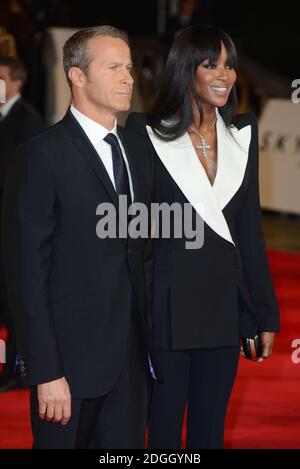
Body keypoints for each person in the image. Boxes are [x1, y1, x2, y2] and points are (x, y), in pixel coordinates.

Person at [126, 24, 280, 449]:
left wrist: (264, 313)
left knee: (210, 430)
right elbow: (133, 229)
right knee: (162, 430)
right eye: (211, 64)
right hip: (166, 311)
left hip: (222, 311)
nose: (224, 75)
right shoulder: (146, 134)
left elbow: (250, 232)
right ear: (185, 70)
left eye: (229, 65)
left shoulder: (242, 138)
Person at [2, 25, 155, 449]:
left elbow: (142, 256)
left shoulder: (138, 153)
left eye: (129, 67)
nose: (127, 77)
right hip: (66, 369)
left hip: (132, 368)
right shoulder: (40, 156)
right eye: (113, 67)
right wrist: (45, 370)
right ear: (77, 76)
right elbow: (27, 275)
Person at [0, 55, 44, 391]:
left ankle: (21, 364)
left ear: (16, 81)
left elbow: (22, 177)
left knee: (15, 295)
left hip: (12, 221)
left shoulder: (27, 120)